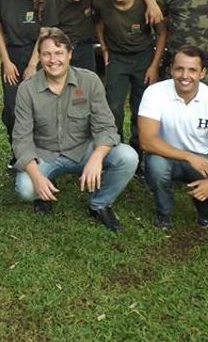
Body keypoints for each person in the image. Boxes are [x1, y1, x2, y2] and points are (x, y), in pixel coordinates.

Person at [12, 29, 138, 232]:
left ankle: (99, 204)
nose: (53, 60)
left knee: (128, 156)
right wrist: (37, 177)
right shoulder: (27, 89)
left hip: (84, 150)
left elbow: (106, 126)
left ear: (70, 54)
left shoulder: (90, 81)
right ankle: (45, 188)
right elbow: (21, 139)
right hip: (46, 153)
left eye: (59, 53)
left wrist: (97, 157)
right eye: (46, 54)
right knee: (26, 188)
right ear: (40, 57)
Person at [139, 46, 208, 230]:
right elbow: (147, 141)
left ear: (203, 73)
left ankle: (204, 208)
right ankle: (164, 213)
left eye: (192, 70)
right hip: (165, 155)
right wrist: (189, 157)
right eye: (179, 69)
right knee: (157, 166)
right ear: (171, 69)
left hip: (203, 159)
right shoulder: (154, 93)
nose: (185, 75)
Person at [93, 0, 165, 158]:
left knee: (141, 106)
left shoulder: (145, 4)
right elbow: (99, 24)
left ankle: (139, 151)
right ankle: (117, 152)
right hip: (117, 58)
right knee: (113, 106)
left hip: (143, 57)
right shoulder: (101, 1)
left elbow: (161, 34)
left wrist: (154, 66)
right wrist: (104, 47)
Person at [45, 0, 161, 72]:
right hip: (59, 47)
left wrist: (152, 4)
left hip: (84, 47)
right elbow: (45, 31)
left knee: (86, 86)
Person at [0, 0, 51, 160]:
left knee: (36, 108)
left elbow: (45, 33)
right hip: (11, 56)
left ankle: (38, 153)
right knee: (11, 109)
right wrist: (6, 61)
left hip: (36, 56)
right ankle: (18, 153)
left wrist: (32, 65)